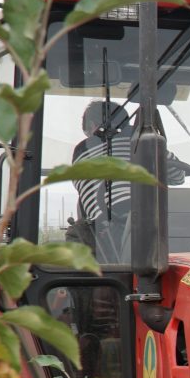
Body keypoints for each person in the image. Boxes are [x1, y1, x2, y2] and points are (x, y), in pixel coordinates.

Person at [71, 101, 134, 263]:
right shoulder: (148, 140)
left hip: (105, 230)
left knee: (77, 232)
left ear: (92, 126)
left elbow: (82, 189)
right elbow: (178, 176)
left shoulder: (82, 150)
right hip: (155, 217)